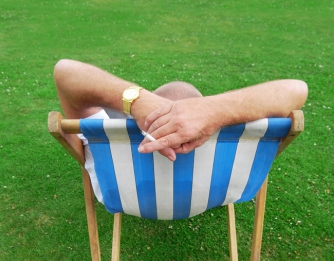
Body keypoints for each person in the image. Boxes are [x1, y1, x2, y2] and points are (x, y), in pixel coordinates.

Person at [54, 59, 308, 161]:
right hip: (219, 193)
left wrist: (138, 101)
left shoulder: (108, 145)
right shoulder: (233, 153)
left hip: (120, 196)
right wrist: (215, 110)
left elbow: (65, 71)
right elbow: (296, 89)